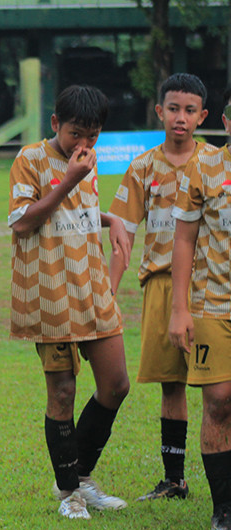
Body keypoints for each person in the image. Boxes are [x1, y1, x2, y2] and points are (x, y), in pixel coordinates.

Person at [8, 84, 133, 519]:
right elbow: (24, 221)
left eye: (93, 136)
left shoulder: (87, 161)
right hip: (49, 292)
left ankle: (80, 477)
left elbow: (72, 211)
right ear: (55, 123)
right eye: (76, 133)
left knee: (116, 384)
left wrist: (111, 218)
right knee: (62, 392)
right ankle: (70, 493)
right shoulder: (29, 159)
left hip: (92, 288)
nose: (84, 144)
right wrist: (69, 179)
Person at [108, 73, 217, 501]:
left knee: (218, 384)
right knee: (171, 383)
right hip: (160, 285)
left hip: (210, 286)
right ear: (160, 112)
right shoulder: (141, 167)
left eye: (190, 110)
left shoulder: (214, 163)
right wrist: (107, 291)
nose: (181, 118)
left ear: (203, 116)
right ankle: (175, 479)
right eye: (173, 108)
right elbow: (123, 234)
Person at [169, 87, 231, 530]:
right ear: (227, 121)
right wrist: (179, 309)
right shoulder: (204, 166)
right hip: (213, 303)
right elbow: (184, 240)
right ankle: (223, 510)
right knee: (220, 401)